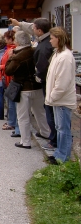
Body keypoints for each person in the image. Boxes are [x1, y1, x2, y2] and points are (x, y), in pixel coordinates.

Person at [10, 18, 56, 151]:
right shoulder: (35, 47)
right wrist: (19, 24)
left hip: (25, 88)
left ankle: (25, 141)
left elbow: (9, 70)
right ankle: (45, 132)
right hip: (37, 88)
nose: (33, 30)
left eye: (35, 28)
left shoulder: (23, 53)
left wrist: (38, 78)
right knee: (40, 112)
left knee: (24, 115)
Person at [45, 27, 76, 164]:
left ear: (59, 39)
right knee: (59, 128)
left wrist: (52, 96)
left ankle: (63, 157)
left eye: (52, 38)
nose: (50, 41)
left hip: (61, 100)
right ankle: (59, 153)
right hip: (58, 99)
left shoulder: (65, 57)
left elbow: (62, 83)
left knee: (63, 129)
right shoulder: (58, 53)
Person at [0, 30, 20, 135]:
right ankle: (11, 122)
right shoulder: (9, 49)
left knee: (12, 103)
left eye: (6, 38)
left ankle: (12, 123)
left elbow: (9, 65)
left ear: (11, 39)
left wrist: (1, 66)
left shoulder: (12, 50)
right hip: (7, 77)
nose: (5, 40)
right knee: (10, 102)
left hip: (10, 78)